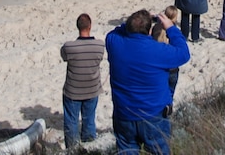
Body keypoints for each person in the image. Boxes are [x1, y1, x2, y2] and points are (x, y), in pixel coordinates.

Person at [106, 9, 191, 155]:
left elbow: (115, 31)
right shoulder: (159, 50)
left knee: (127, 150)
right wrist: (170, 27)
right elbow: (184, 53)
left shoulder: (114, 43)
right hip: (153, 115)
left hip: (124, 114)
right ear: (150, 30)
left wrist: (134, 22)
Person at [60, 13, 105, 149]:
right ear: (90, 26)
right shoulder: (99, 46)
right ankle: (90, 145)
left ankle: (73, 149)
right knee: (89, 119)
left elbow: (64, 56)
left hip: (73, 90)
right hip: (92, 88)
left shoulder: (69, 47)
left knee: (71, 121)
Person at [151, 6, 180, 100]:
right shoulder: (173, 31)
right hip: (172, 68)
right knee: (170, 93)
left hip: (158, 67)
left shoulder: (156, 28)